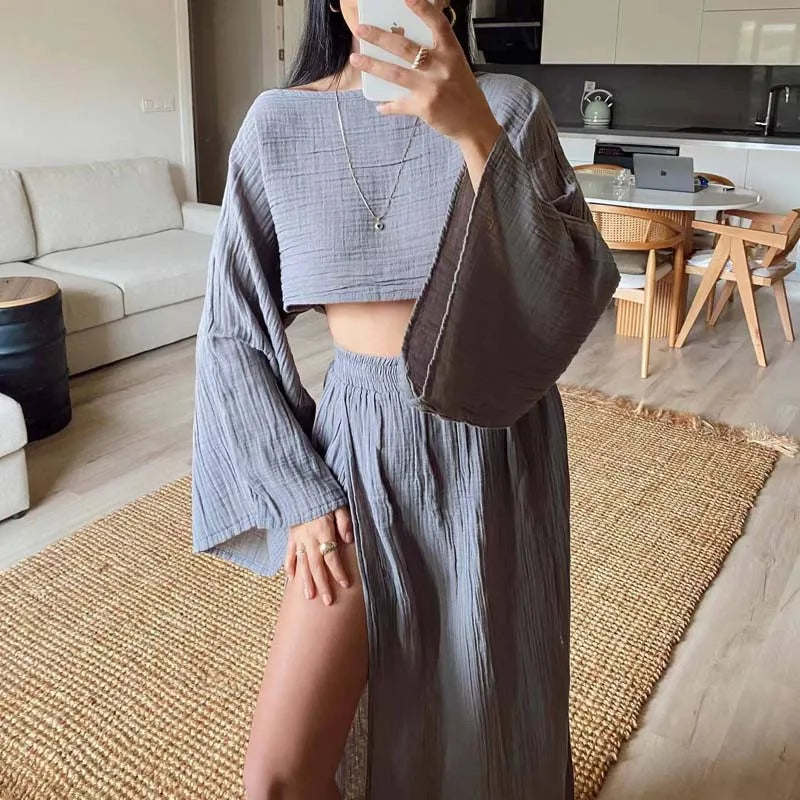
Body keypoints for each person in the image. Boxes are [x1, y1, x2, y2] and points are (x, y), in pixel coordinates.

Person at [191, 0, 619, 797]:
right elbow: (231, 328)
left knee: (484, 704)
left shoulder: (509, 106)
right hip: (357, 448)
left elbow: (571, 289)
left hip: (496, 442)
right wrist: (296, 491)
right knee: (278, 775)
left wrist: (472, 130)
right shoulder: (278, 125)